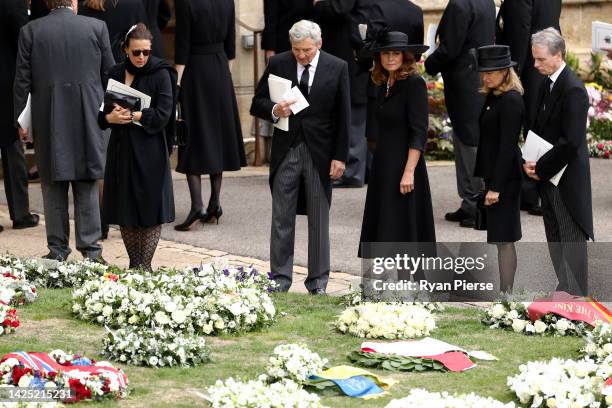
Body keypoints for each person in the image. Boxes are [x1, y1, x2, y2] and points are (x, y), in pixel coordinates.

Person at [250, 20, 350, 294]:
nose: (301, 55)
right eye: (297, 50)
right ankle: (280, 279)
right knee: (281, 217)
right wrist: (274, 109)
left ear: (319, 44)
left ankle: (318, 284)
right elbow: (256, 102)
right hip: (286, 150)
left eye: (306, 50)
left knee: (319, 220)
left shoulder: (337, 67)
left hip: (320, 153)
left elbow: (344, 117)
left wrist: (340, 157)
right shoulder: (279, 63)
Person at [14, 0, 114, 261]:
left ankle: (57, 249)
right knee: (87, 183)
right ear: (73, 2)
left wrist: (21, 122)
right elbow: (109, 77)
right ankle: (92, 251)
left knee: (52, 183)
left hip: (49, 118)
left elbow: (22, 82)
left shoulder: (31, 31)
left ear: (48, 3)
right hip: (89, 117)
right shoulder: (97, 27)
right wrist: (109, 115)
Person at [99, 23, 175, 271]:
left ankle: (146, 265)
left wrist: (136, 115)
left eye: (145, 52)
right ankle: (134, 265)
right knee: (126, 206)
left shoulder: (161, 72)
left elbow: (164, 114)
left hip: (150, 149)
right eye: (136, 52)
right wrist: (110, 118)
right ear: (125, 50)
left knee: (150, 205)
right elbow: (102, 114)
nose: (141, 57)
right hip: (122, 149)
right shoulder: (115, 72)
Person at [523, 28, 593, 296]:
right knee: (554, 234)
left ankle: (575, 294)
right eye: (534, 58)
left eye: (540, 59)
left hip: (565, 178)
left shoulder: (573, 88)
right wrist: (529, 161)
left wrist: (540, 168)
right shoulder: (547, 82)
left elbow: (571, 141)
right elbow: (540, 127)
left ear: (558, 54)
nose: (535, 64)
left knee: (570, 235)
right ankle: (563, 288)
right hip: (548, 174)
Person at [358, 31, 435, 264]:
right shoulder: (383, 83)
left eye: (396, 53)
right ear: (379, 57)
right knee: (385, 225)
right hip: (384, 165)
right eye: (385, 53)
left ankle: (410, 288)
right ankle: (384, 287)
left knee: (404, 228)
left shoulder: (414, 84)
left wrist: (409, 171)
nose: (390, 57)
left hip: (405, 166)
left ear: (405, 56)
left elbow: (418, 132)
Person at [173, 0, 246, 231]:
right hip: (220, 68)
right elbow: (231, 46)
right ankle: (215, 204)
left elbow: (182, 45)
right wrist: (223, 73)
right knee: (218, 135)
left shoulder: (186, 3)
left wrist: (177, 83)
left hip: (195, 69)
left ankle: (197, 205)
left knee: (193, 134)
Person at [424, 0, 495, 228]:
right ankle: (470, 202)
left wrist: (430, 63)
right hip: (477, 77)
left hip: (465, 81)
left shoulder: (461, 4)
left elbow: (450, 47)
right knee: (469, 138)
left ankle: (474, 203)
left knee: (468, 141)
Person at [495, 0, 562, 217]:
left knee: (528, 128)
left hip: (529, 66)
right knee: (543, 126)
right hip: (549, 63)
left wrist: (514, 71)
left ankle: (530, 192)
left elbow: (521, 30)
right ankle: (541, 190)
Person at [472, 45, 524, 293]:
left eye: (491, 72)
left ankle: (506, 294)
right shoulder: (494, 96)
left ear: (506, 71)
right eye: (484, 72)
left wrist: (495, 187)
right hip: (494, 176)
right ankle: (504, 292)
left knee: (504, 238)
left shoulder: (512, 100)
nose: (486, 76)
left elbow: (506, 147)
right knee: (498, 236)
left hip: (505, 179)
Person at [312, 0, 370, 188]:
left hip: (350, 55)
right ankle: (355, 171)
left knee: (353, 116)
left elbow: (340, 7)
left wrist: (318, 4)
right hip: (347, 53)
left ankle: (352, 174)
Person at [0, 0, 40, 234]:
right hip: (8, 83)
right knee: (13, 146)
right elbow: (23, 43)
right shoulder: (12, 3)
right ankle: (20, 213)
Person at [79, 0, 148, 62]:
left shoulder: (82, 7)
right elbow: (142, 37)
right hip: (123, 64)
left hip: (91, 63)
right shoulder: (134, 4)